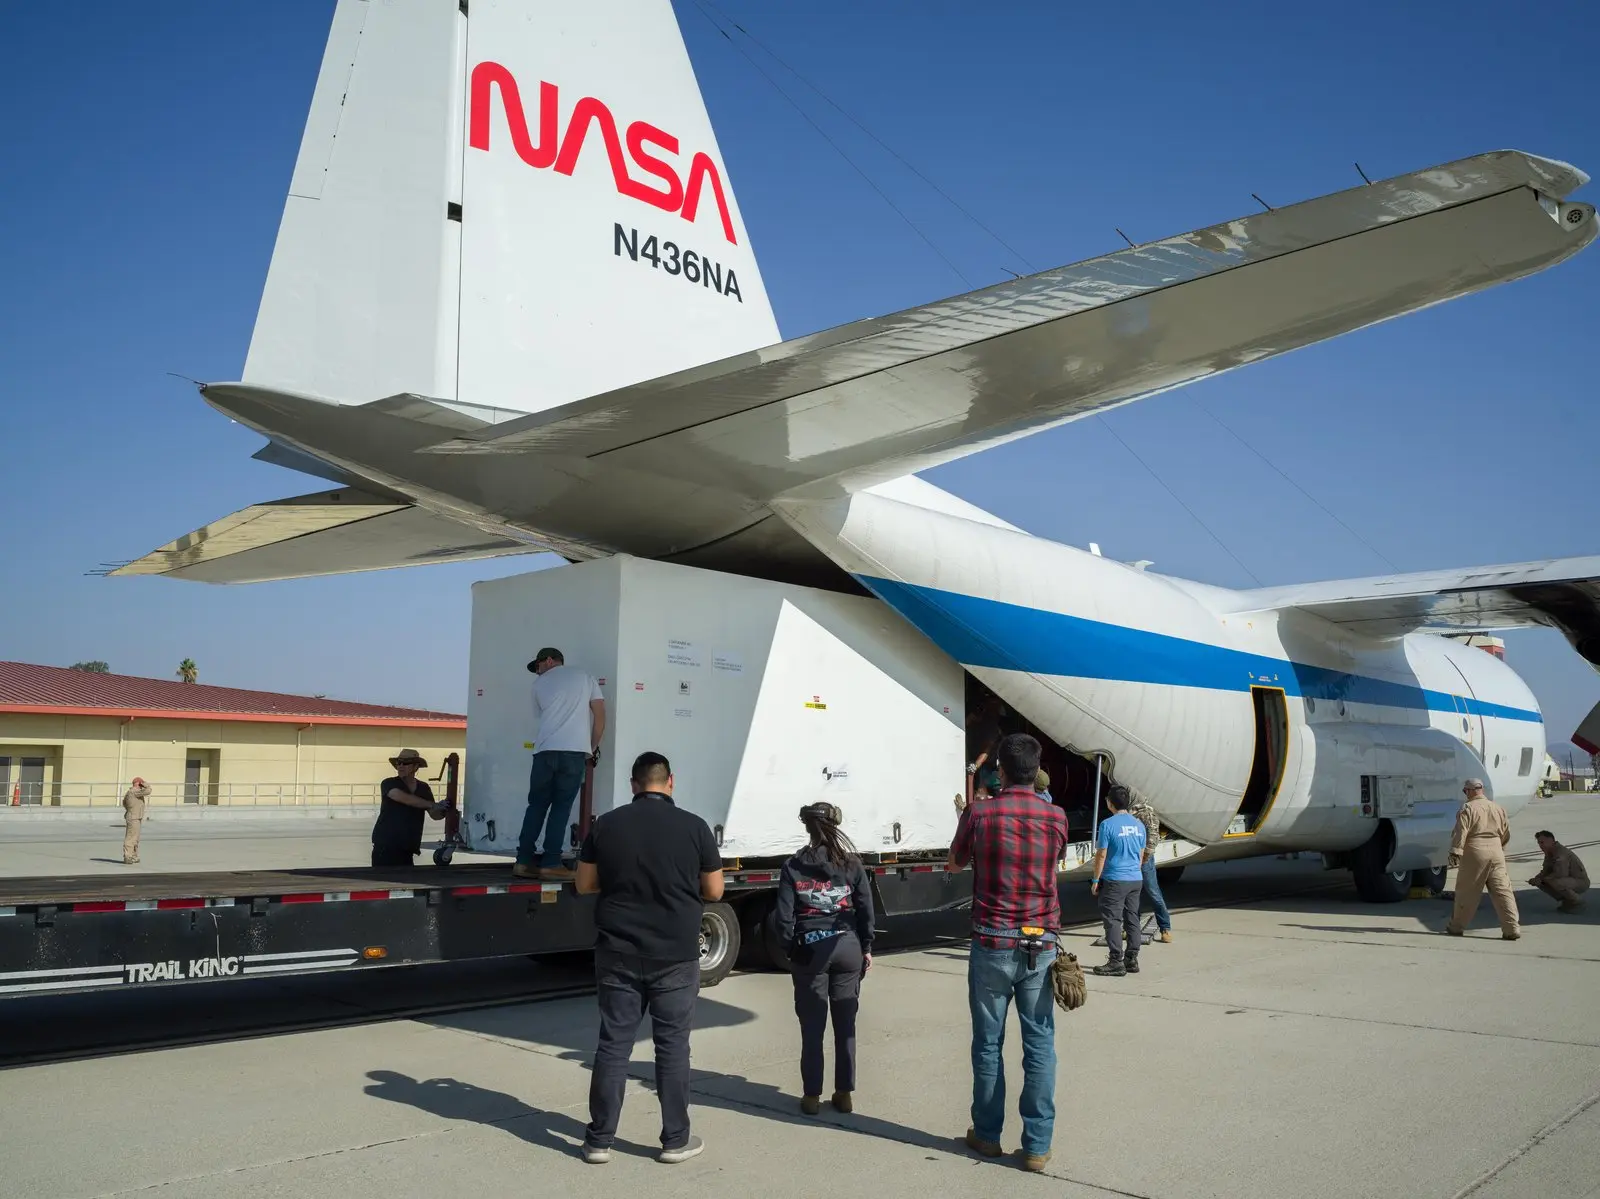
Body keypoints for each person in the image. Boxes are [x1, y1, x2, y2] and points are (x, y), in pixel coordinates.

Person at [575, 751, 722, 1166]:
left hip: (618, 951)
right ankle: (675, 1140)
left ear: (633, 784)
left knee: (613, 1045)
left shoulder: (606, 825)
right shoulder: (694, 827)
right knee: (673, 1047)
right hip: (675, 954)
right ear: (669, 782)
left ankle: (599, 1141)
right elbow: (714, 891)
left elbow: (585, 884)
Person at [946, 732, 1068, 1173]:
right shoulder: (1056, 818)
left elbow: (955, 862)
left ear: (999, 769)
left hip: (992, 941)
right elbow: (1052, 863)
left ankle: (988, 1135)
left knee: (988, 1043)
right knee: (1039, 1044)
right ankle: (1037, 1145)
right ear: (1035, 771)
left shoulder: (980, 813)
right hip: (1041, 942)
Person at [775, 802, 874, 1115]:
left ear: (807, 827)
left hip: (810, 950)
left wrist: (792, 948)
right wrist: (866, 946)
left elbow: (783, 918)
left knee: (812, 1028)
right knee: (845, 1026)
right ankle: (843, 1094)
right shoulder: (852, 864)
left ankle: (811, 1097)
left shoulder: (793, 866)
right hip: (847, 948)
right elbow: (865, 911)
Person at [517, 647, 606, 880]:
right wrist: (592, 748)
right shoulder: (585, 678)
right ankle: (551, 862)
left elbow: (541, 717)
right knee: (561, 808)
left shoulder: (538, 685)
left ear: (548, 661)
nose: (537, 672)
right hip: (573, 753)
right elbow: (600, 716)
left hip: (544, 752)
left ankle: (523, 861)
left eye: (537, 667)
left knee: (536, 806)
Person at [1445, 778, 1520, 940]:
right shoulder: (1498, 808)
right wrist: (1500, 848)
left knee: (1467, 892)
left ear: (1470, 791)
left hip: (1475, 851)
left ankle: (1456, 927)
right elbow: (1506, 833)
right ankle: (1511, 928)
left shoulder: (1468, 808)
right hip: (1496, 851)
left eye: (1465, 791)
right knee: (1503, 892)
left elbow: (1461, 831)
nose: (1465, 794)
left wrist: (1455, 851)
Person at [1091, 784, 1147, 976]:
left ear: (1109, 803)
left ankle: (1116, 960)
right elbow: (1141, 855)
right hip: (1135, 878)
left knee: (1113, 920)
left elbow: (1101, 855)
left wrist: (1095, 879)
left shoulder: (1107, 825)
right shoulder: (1139, 825)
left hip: (1115, 879)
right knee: (1132, 918)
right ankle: (1132, 958)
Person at [371, 749, 445, 868]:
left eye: (405, 763)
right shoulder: (389, 783)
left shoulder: (423, 787)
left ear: (416, 766)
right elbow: (400, 796)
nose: (400, 766)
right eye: (398, 763)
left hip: (407, 849)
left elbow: (435, 815)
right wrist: (431, 804)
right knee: (383, 884)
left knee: (405, 884)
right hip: (385, 846)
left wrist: (444, 807)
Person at [1128, 792, 1173, 943]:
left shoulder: (1147, 814)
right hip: (1130, 858)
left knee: (1153, 893)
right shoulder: (1127, 814)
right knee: (1131, 895)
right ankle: (1130, 929)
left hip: (1143, 859)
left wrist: (1144, 858)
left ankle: (1165, 928)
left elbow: (1153, 839)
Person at [1528, 830, 1589, 912]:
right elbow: (1546, 870)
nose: (1540, 845)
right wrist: (1536, 879)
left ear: (1551, 840)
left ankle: (1577, 903)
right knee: (1541, 881)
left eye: (1542, 842)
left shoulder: (1560, 852)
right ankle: (1568, 901)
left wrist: (1543, 879)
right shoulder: (1549, 852)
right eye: (1539, 843)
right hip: (1568, 880)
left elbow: (1561, 874)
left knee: (1554, 881)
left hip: (1580, 882)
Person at [121, 776, 150, 865]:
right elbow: (148, 791)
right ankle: (127, 856)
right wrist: (145, 784)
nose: (142, 786)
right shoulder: (134, 791)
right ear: (138, 783)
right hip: (133, 817)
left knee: (135, 838)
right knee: (130, 838)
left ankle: (133, 856)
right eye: (140, 784)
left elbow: (124, 803)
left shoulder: (132, 792)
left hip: (135, 816)